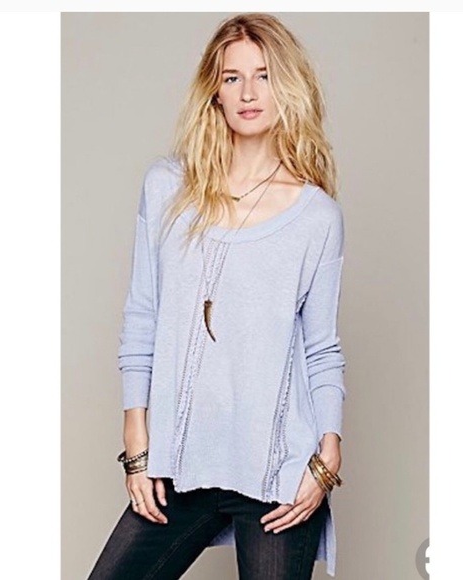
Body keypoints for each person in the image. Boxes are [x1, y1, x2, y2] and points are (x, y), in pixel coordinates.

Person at [87, 12, 347, 580]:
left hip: (278, 471)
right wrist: (137, 439)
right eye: (233, 77)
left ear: (289, 86)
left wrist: (328, 449)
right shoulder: (167, 188)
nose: (248, 92)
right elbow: (143, 315)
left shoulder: (317, 217)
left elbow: (321, 347)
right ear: (215, 91)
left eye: (264, 75)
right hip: (179, 462)